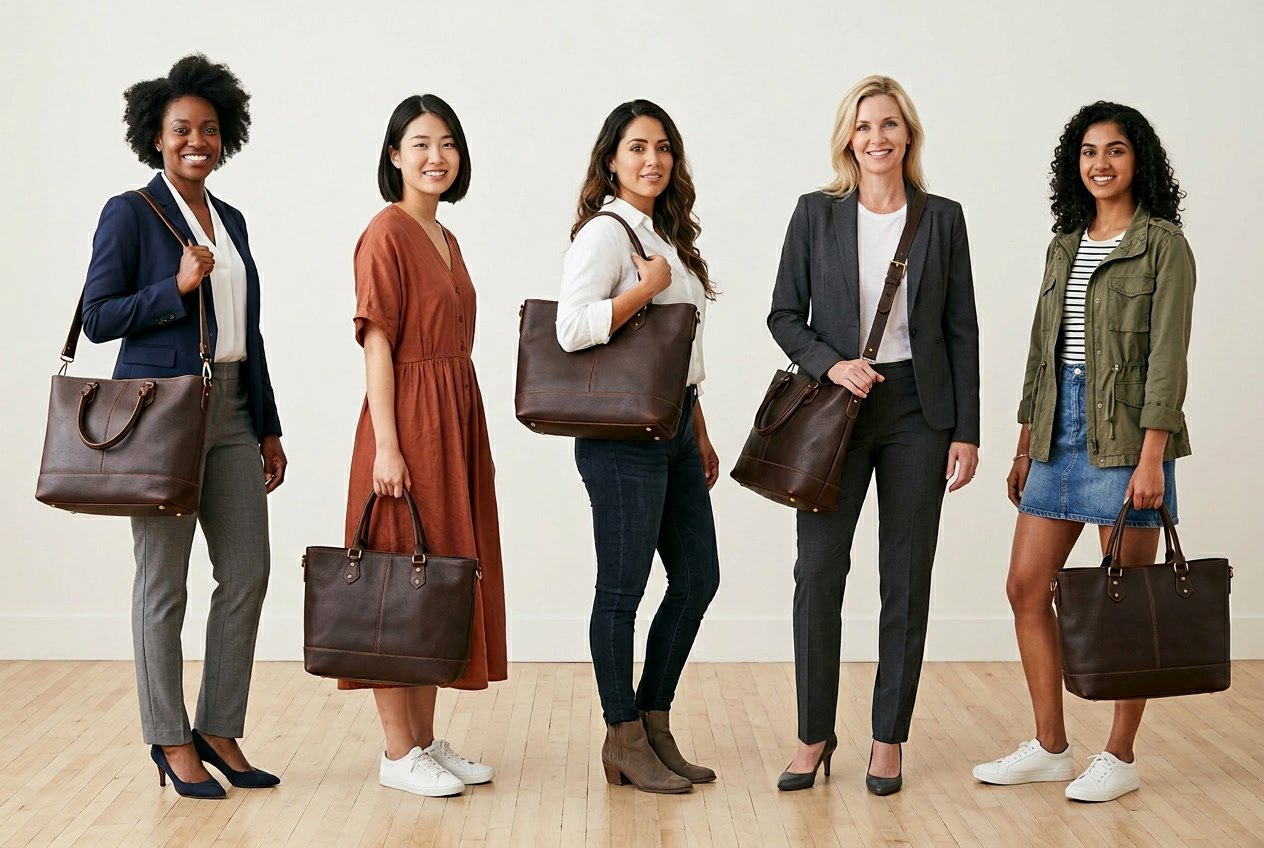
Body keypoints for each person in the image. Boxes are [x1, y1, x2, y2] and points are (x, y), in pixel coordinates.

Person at [973, 102, 1195, 803]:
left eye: (1117, 150)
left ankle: (1120, 756)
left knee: (1124, 604)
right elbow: (1044, 350)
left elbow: (1168, 359)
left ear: (1140, 162)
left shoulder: (1163, 244)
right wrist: (1023, 441)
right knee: (1025, 587)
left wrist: (1152, 457)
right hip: (1056, 431)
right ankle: (1048, 745)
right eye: (1089, 151)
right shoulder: (1065, 243)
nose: (1101, 162)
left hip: (1128, 437)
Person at [767, 75, 980, 794]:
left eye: (890, 125)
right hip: (837, 410)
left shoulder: (942, 219)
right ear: (847, 139)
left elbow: (961, 331)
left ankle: (887, 739)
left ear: (907, 136)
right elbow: (784, 315)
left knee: (906, 579)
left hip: (920, 412)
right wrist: (832, 366)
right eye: (864, 127)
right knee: (817, 575)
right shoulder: (814, 214)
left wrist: (966, 430)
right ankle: (813, 736)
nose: (877, 138)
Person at [81, 54, 285, 799]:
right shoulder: (130, 211)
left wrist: (268, 425)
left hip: (232, 407)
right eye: (180, 129)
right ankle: (168, 738)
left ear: (224, 137)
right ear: (156, 137)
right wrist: (176, 287)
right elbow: (99, 317)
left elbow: (247, 329)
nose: (196, 140)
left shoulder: (229, 220)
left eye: (208, 129)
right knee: (162, 586)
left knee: (248, 574)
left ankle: (219, 727)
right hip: (163, 414)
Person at [343, 94, 507, 798]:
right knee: (391, 579)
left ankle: (423, 743)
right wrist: (388, 444)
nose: (435, 155)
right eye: (419, 143)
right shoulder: (386, 231)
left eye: (447, 143)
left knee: (435, 577)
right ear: (394, 156)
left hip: (453, 418)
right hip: (407, 417)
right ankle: (394, 752)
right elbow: (377, 341)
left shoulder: (446, 236)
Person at [556, 99, 720, 795]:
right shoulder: (605, 234)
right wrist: (643, 291)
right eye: (637, 148)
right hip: (621, 440)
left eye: (663, 148)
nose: (652, 160)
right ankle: (621, 735)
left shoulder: (665, 235)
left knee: (698, 577)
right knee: (622, 590)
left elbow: (677, 351)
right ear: (612, 160)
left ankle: (653, 722)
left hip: (674, 426)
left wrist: (699, 429)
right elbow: (570, 329)